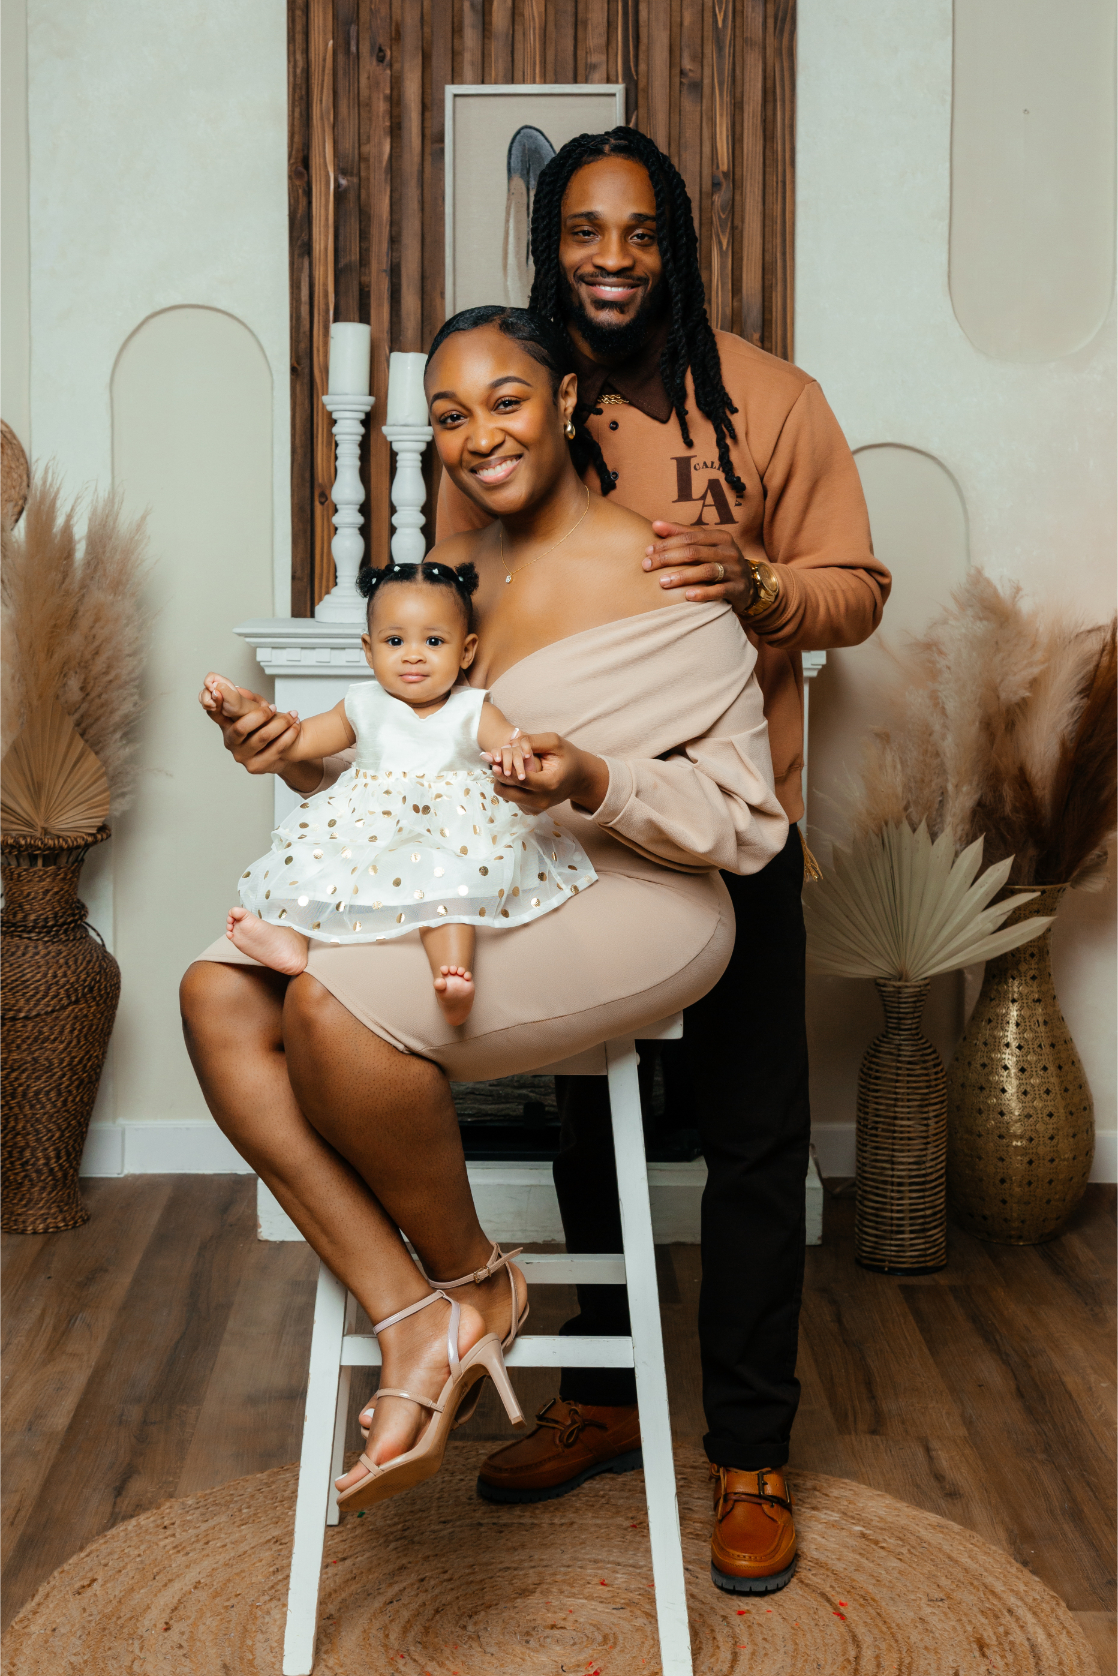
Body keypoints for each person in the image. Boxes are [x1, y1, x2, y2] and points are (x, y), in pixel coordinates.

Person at [183, 308, 787, 1528]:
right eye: (450, 415)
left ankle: (472, 1287)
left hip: (638, 891)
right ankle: (415, 1311)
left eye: (504, 400)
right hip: (463, 879)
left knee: (328, 1010)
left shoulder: (671, 572)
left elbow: (745, 818)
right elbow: (407, 763)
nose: (475, 436)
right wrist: (291, 756)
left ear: (565, 400)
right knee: (212, 993)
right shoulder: (453, 568)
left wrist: (591, 778)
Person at [430, 131, 892, 1595]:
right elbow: (456, 614)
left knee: (754, 1139)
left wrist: (754, 584)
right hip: (557, 838)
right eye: (582, 232)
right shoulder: (512, 411)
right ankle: (605, 1400)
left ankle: (750, 1451)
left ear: (673, 242)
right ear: (550, 245)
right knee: (583, 1122)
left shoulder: (774, 400)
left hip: (727, 822)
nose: (608, 260)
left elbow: (857, 593)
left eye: (635, 233)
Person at [203, 559, 595, 1025]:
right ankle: (291, 938)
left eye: (433, 641)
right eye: (395, 641)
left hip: (454, 832)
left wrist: (518, 756)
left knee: (452, 887)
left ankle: (453, 976)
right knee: (313, 862)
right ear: (369, 651)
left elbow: (512, 744)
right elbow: (299, 740)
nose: (413, 655)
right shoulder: (361, 704)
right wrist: (247, 710)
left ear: (465, 651)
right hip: (369, 829)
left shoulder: (472, 708)